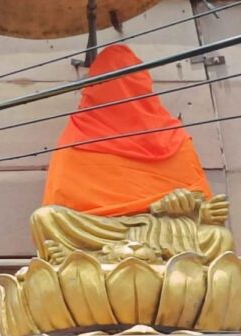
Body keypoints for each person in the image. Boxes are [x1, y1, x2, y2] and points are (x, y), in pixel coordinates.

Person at [34, 44, 234, 265]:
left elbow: (202, 213)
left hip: (163, 230)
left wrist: (197, 212)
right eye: (111, 85)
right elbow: (60, 209)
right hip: (102, 231)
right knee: (45, 219)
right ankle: (91, 258)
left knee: (217, 238)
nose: (121, 95)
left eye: (128, 86)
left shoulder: (173, 137)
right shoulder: (77, 136)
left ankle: (87, 260)